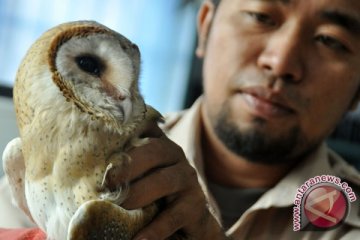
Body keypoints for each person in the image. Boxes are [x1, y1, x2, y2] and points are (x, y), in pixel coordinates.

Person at [1, 0, 360, 239]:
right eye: (262, 16)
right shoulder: (36, 167)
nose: (281, 62)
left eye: (330, 40)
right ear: (204, 26)